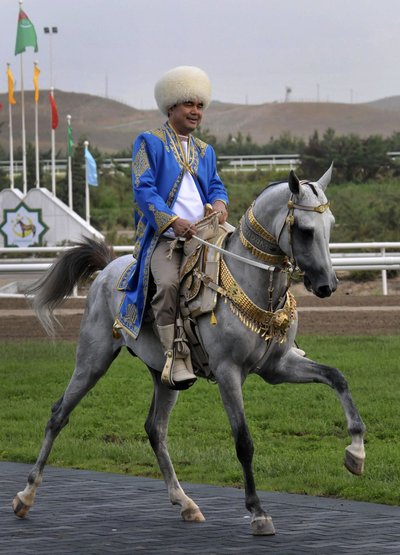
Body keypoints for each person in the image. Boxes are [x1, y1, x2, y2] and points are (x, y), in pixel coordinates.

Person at [117, 66, 229, 390]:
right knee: (167, 284)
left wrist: (220, 204)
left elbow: (217, 187)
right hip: (164, 239)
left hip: (206, 234)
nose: (196, 112)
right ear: (171, 108)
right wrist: (171, 222)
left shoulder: (206, 151)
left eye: (200, 106)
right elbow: (143, 189)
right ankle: (175, 354)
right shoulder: (148, 142)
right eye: (188, 105)